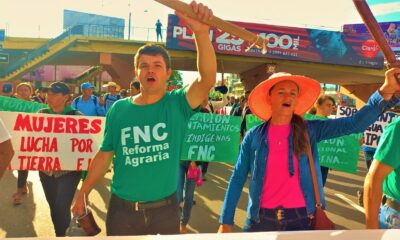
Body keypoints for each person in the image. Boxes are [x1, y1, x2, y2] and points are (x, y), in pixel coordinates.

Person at [72, 1, 216, 236]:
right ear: (137, 72)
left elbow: (207, 78)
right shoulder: (118, 109)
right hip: (122, 213)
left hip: (166, 212)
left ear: (168, 73)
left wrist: (201, 32)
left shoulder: (178, 104)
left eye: (158, 66)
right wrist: (83, 190)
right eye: (145, 66)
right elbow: (104, 154)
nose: (151, 70)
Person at [218, 68, 400, 233]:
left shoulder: (310, 130)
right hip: (259, 220)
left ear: (296, 100)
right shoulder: (253, 136)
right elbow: (237, 178)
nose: (287, 97)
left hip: (302, 219)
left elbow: (354, 123)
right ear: (269, 98)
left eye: (292, 93)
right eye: (281, 92)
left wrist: (385, 91)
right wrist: (226, 222)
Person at [38, 82, 83, 236]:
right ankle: (61, 234)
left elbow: (87, 146)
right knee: (53, 206)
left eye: (54, 94)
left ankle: (61, 235)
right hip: (46, 170)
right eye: (48, 94)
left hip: (69, 171)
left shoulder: (77, 117)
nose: (49, 97)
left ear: (65, 97)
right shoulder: (41, 114)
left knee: (62, 206)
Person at [12, 82, 34, 205]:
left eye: (26, 89)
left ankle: (20, 190)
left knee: (24, 164)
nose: (23, 92)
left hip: (30, 139)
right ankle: (21, 188)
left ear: (31, 92)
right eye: (21, 90)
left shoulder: (36, 106)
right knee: (20, 164)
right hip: (16, 138)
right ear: (17, 92)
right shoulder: (12, 105)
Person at [312, 95, 336, 186]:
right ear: (318, 105)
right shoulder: (306, 121)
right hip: (307, 162)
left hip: (323, 164)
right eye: (328, 105)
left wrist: (356, 144)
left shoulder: (332, 124)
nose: (331, 108)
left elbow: (337, 142)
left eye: (332, 106)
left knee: (319, 189)